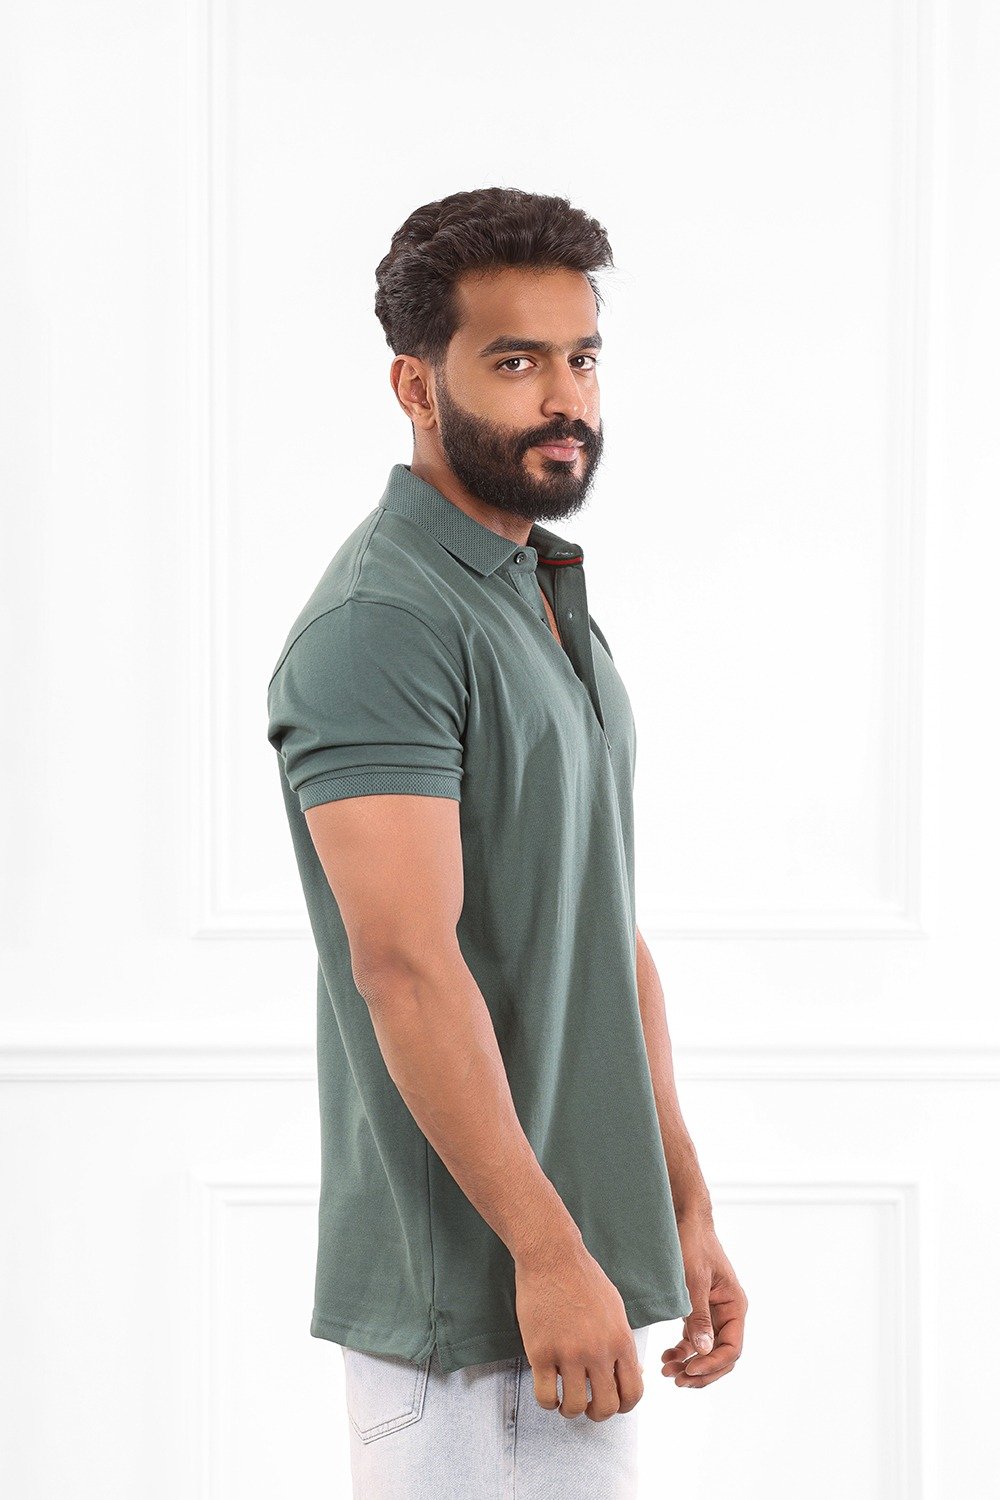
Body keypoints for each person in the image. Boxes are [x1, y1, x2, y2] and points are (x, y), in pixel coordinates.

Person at [266, 186, 748, 1497]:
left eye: (582, 357)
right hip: (472, 1311)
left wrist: (679, 1198)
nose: (565, 399)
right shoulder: (383, 623)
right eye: (517, 362)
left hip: (574, 1272)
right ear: (415, 386)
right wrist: (546, 1253)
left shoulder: (538, 594)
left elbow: (601, 926)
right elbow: (403, 968)